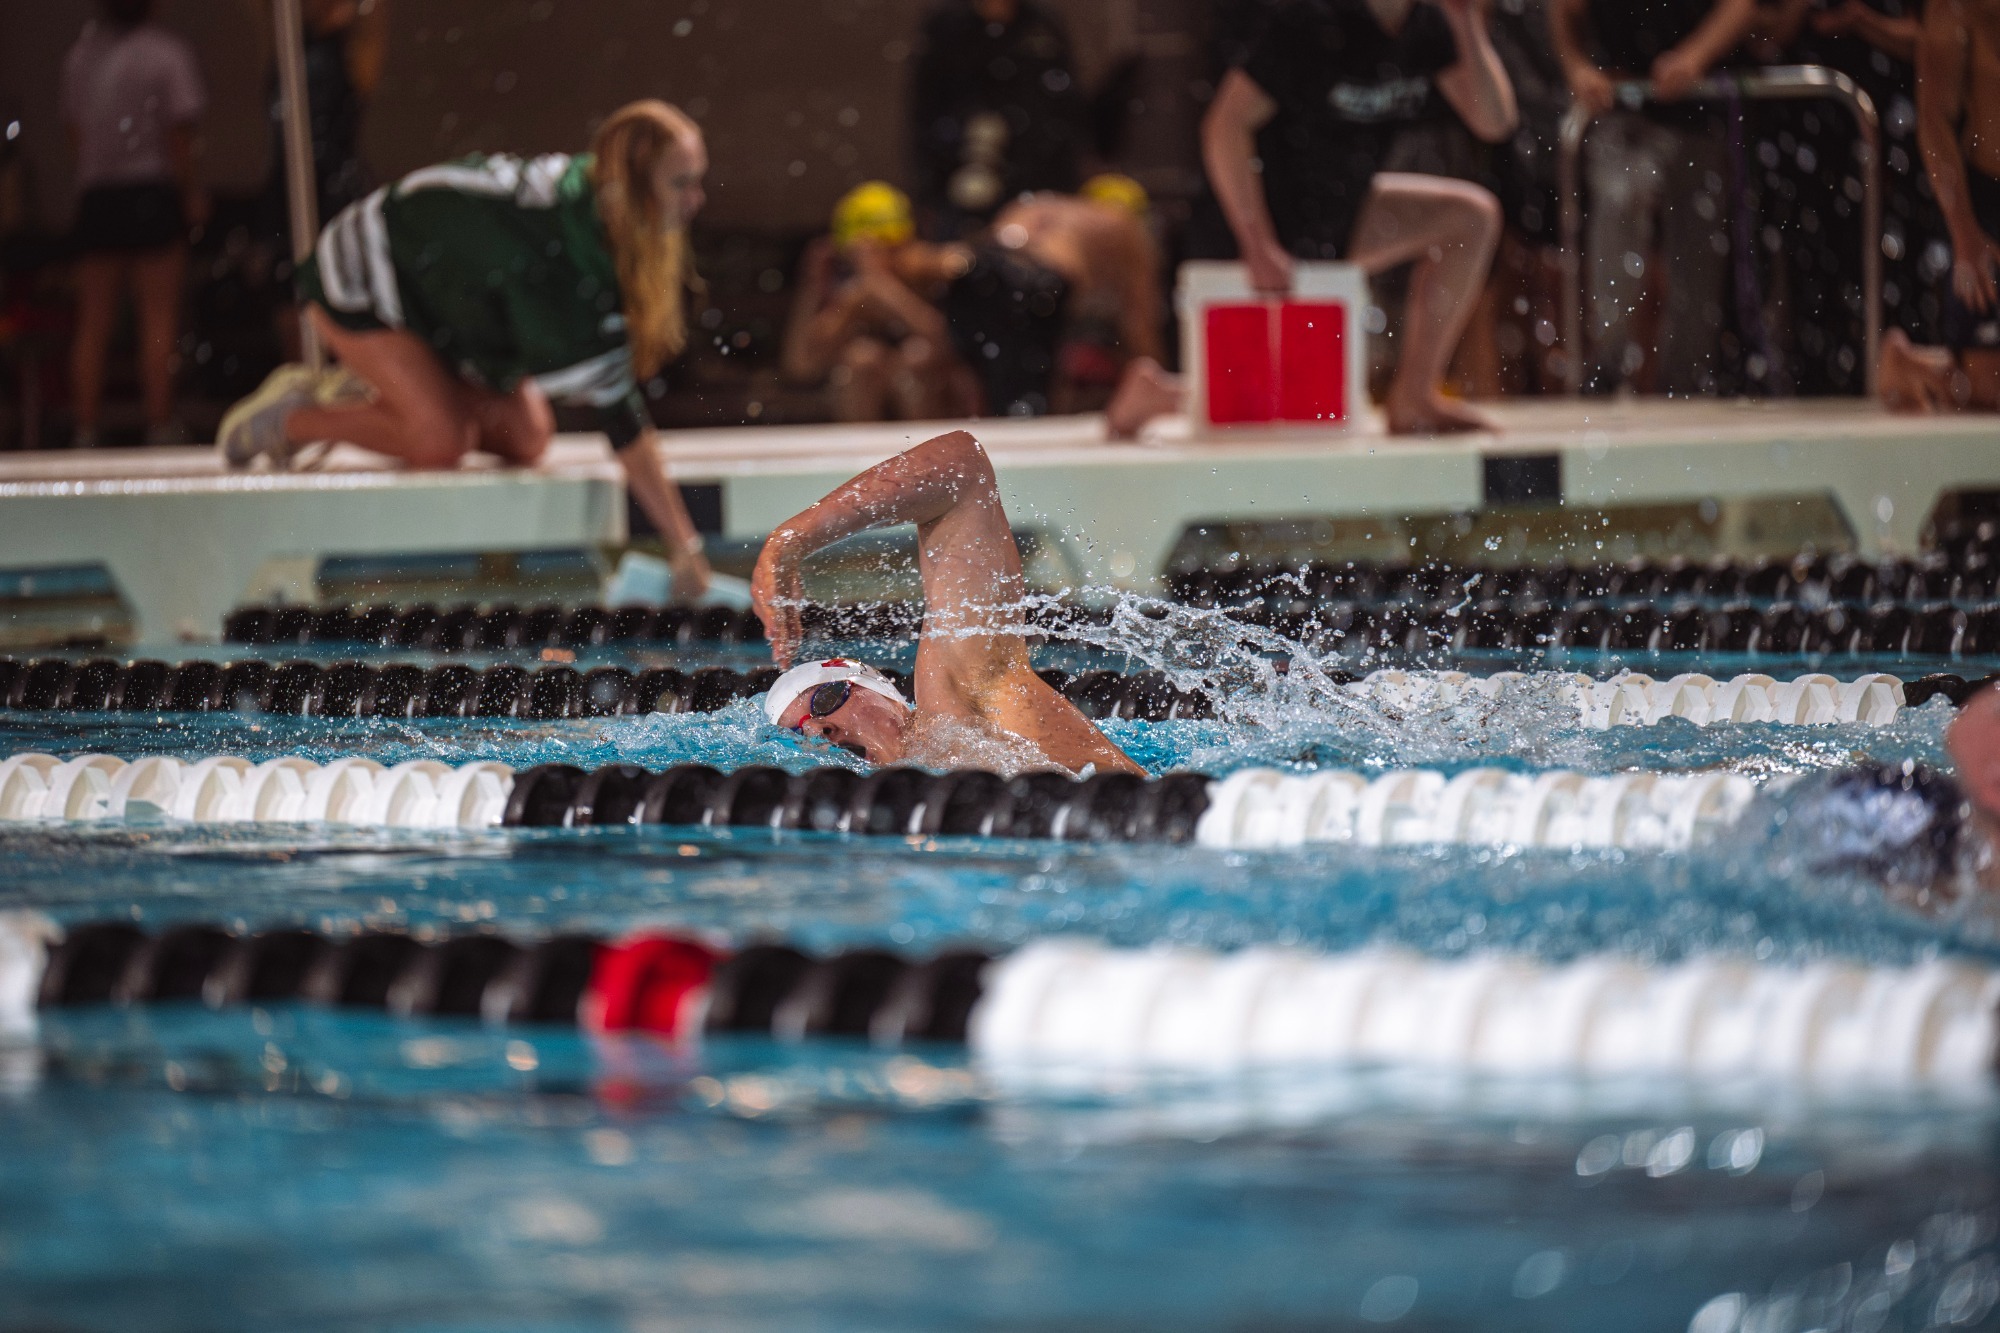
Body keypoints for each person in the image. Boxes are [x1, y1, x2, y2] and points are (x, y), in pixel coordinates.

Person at [217, 100, 714, 595]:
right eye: (680, 183)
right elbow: (621, 420)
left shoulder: (596, 209)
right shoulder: (553, 248)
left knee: (528, 437)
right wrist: (685, 546)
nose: (697, 200)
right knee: (439, 441)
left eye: (698, 180)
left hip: (447, 306)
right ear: (629, 185)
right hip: (358, 279)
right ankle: (292, 417)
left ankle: (393, 390)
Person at [1194, 0, 1519, 434]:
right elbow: (1224, 127)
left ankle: (1415, 394)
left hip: (1340, 217)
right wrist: (1256, 242)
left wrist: (1467, 24)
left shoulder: (1427, 25)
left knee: (1472, 218)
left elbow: (1495, 122)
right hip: (1255, 225)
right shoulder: (1311, 19)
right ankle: (1155, 391)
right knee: (1265, 399)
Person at [752, 429, 1144, 777]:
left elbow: (963, 470)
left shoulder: (960, 702)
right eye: (797, 732)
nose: (819, 730)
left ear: (879, 688)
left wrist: (790, 541)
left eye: (825, 700)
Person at [787, 180, 1168, 424]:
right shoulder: (1124, 231)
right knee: (867, 361)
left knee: (932, 362)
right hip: (1026, 275)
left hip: (993, 261)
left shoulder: (1034, 210)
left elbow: (976, 278)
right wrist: (1157, 383)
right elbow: (1140, 327)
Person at [1552, 0, 1756, 396]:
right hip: (1621, 99)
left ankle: (1688, 383)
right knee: (1617, 211)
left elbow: (1740, 5)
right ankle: (1609, 372)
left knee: (1697, 261)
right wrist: (1576, 67)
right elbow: (1562, 10)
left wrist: (1695, 56)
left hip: (1698, 107)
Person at [61, 0, 208, 448]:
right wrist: (189, 193)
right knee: (157, 315)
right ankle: (158, 421)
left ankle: (86, 426)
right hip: (148, 188)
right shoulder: (167, 53)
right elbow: (177, 136)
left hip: (101, 192)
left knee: (95, 320)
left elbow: (75, 132)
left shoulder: (81, 56)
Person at [1875, 0, 2000, 412]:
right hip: (1989, 205)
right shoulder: (1958, 7)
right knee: (1987, 391)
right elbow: (1933, 118)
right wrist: (1965, 232)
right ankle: (1911, 366)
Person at [780, 182, 978, 422]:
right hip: (873, 417)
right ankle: (861, 453)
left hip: (938, 417)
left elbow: (950, 341)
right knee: (861, 359)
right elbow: (801, 367)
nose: (874, 260)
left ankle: (925, 448)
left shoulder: (926, 267)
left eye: (887, 249)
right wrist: (811, 287)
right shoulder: (856, 294)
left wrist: (882, 287)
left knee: (919, 357)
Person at [908, 0, 1086, 238]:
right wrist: (929, 191)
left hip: (1037, 180)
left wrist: (1068, 183)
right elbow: (925, 110)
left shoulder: (1042, 23)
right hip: (965, 183)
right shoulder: (947, 24)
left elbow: (1067, 105)